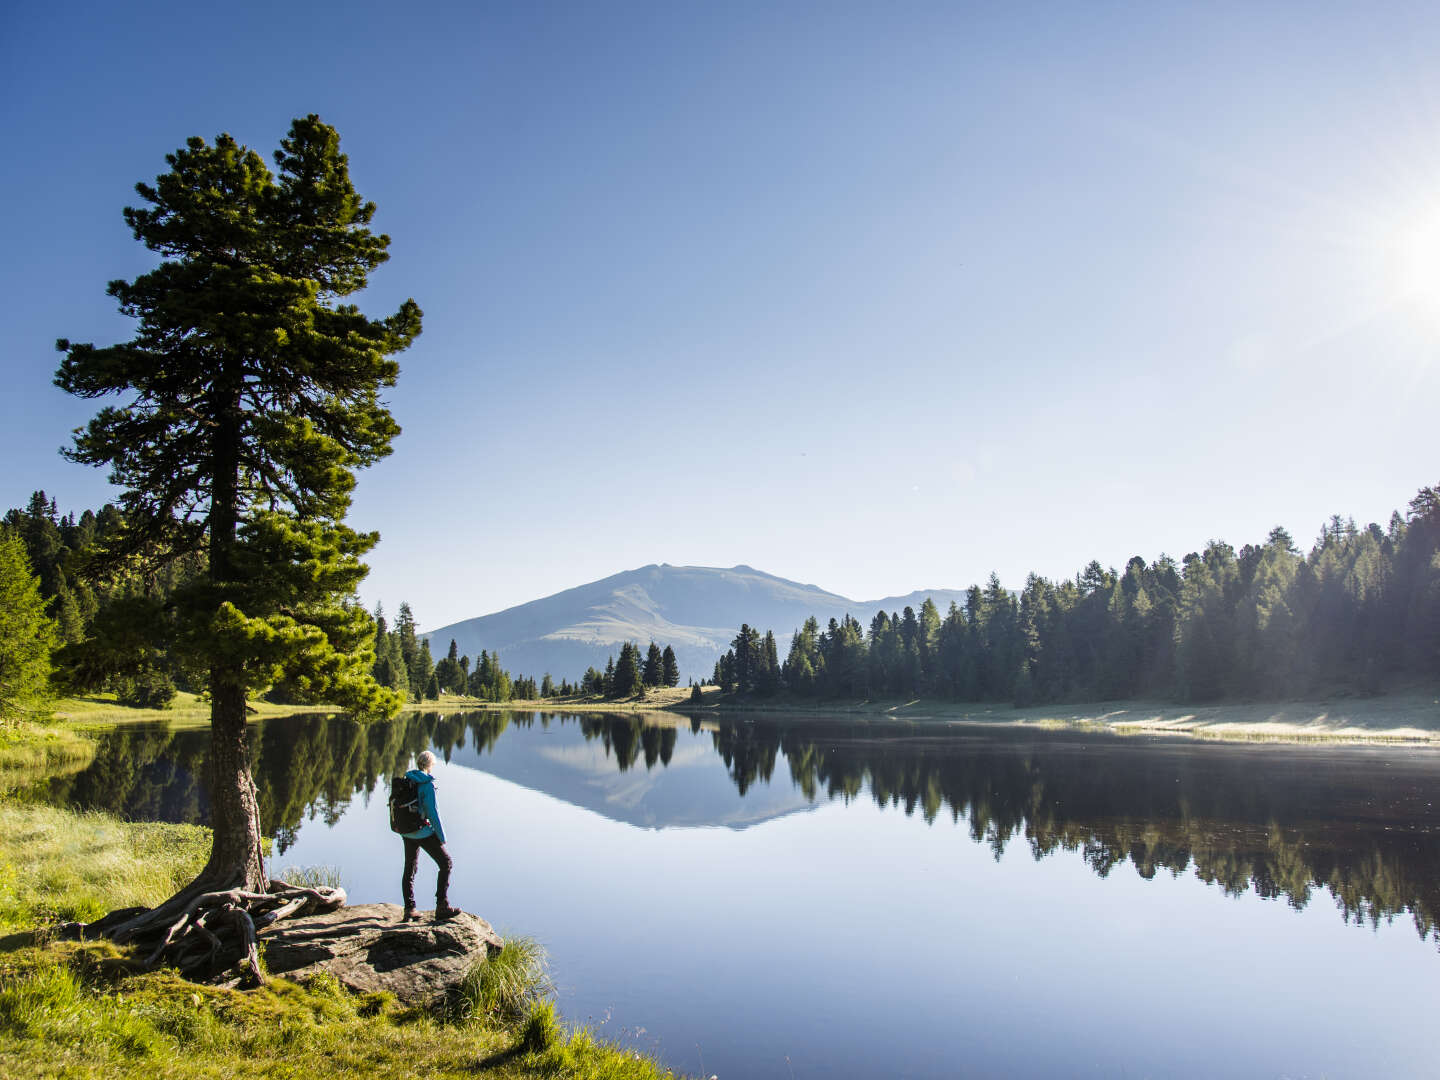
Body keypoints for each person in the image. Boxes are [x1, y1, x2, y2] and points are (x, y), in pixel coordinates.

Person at [400, 750, 461, 921]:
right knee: (446, 863)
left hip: (406, 831)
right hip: (422, 831)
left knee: (409, 868)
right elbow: (432, 813)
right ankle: (442, 906)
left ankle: (409, 909)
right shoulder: (426, 784)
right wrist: (441, 837)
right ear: (430, 765)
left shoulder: (407, 779)